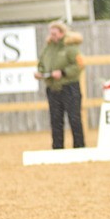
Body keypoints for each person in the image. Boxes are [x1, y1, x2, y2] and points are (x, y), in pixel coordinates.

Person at [34, 21, 85, 149]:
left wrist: (63, 72)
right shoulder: (48, 48)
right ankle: (57, 148)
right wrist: (40, 72)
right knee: (56, 120)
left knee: (74, 118)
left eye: (54, 33)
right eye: (51, 33)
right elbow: (42, 63)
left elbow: (79, 65)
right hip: (53, 89)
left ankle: (79, 147)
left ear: (62, 33)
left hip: (69, 87)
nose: (52, 36)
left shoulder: (71, 48)